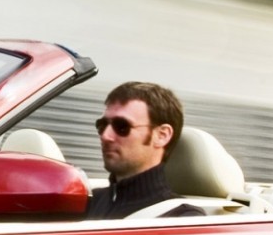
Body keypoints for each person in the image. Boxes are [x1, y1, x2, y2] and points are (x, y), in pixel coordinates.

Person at [85, 80, 200, 219]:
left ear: (162, 135)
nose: (105, 136)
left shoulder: (182, 220)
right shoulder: (89, 202)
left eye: (122, 126)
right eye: (102, 125)